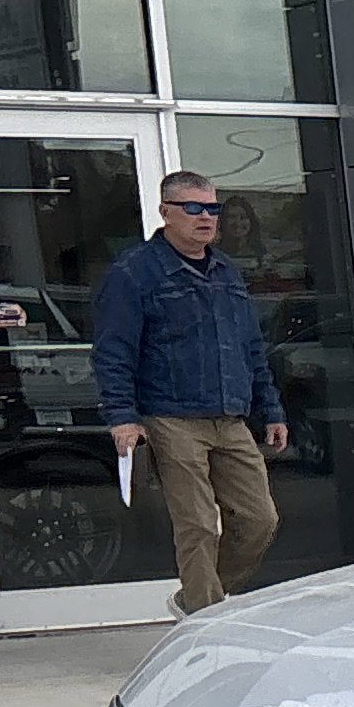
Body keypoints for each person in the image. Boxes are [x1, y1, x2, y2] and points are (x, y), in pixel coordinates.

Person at [92, 171, 287, 615]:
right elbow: (114, 350)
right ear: (165, 212)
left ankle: (197, 601)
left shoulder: (226, 271)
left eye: (213, 208)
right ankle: (203, 620)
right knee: (198, 524)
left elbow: (250, 346)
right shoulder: (134, 273)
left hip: (231, 415)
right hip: (171, 416)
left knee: (260, 519)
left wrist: (270, 408)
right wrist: (122, 416)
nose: (206, 218)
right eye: (193, 208)